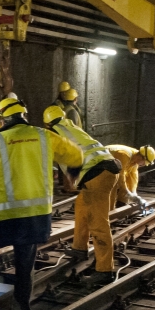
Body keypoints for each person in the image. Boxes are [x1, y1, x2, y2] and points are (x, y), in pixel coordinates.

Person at [0, 97, 82, 310]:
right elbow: (76, 156)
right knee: (24, 268)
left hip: (2, 218)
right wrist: (74, 175)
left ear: (1, 119)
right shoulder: (44, 136)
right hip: (36, 217)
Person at [43, 105, 121, 284]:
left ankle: (104, 270)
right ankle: (79, 247)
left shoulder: (53, 133)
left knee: (98, 222)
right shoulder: (70, 126)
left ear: (47, 123)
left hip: (97, 174)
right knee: (82, 206)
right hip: (107, 168)